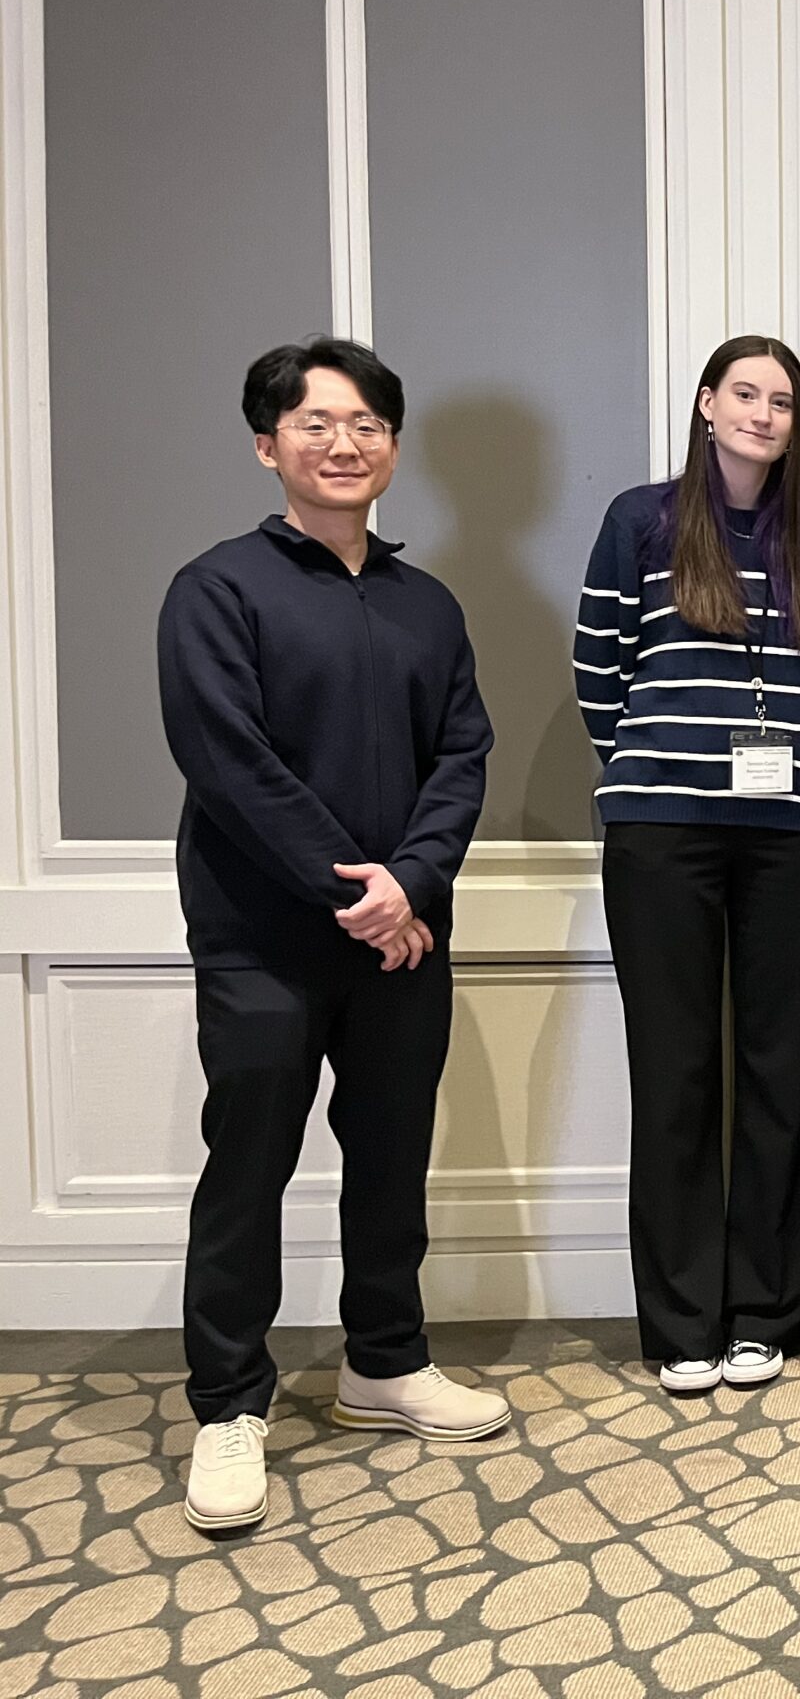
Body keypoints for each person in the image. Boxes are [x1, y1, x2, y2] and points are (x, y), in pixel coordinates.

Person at [160, 338, 508, 1534]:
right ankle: (227, 1405)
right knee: (248, 1164)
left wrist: (406, 888)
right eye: (315, 423)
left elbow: (463, 756)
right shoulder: (217, 590)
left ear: (392, 448)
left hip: (402, 942)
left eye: (366, 423)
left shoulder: (428, 605)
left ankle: (384, 1360)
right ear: (269, 445)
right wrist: (348, 887)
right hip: (262, 939)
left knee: (392, 1153)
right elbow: (228, 761)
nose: (344, 441)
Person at [577, 336, 800, 1395]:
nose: (763, 413)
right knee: (678, 1070)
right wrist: (658, 770)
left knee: (781, 1072)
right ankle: (682, 1319)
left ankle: (766, 1313)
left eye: (781, 400)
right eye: (744, 393)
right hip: (662, 835)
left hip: (793, 831)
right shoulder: (641, 520)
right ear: (706, 404)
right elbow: (597, 665)